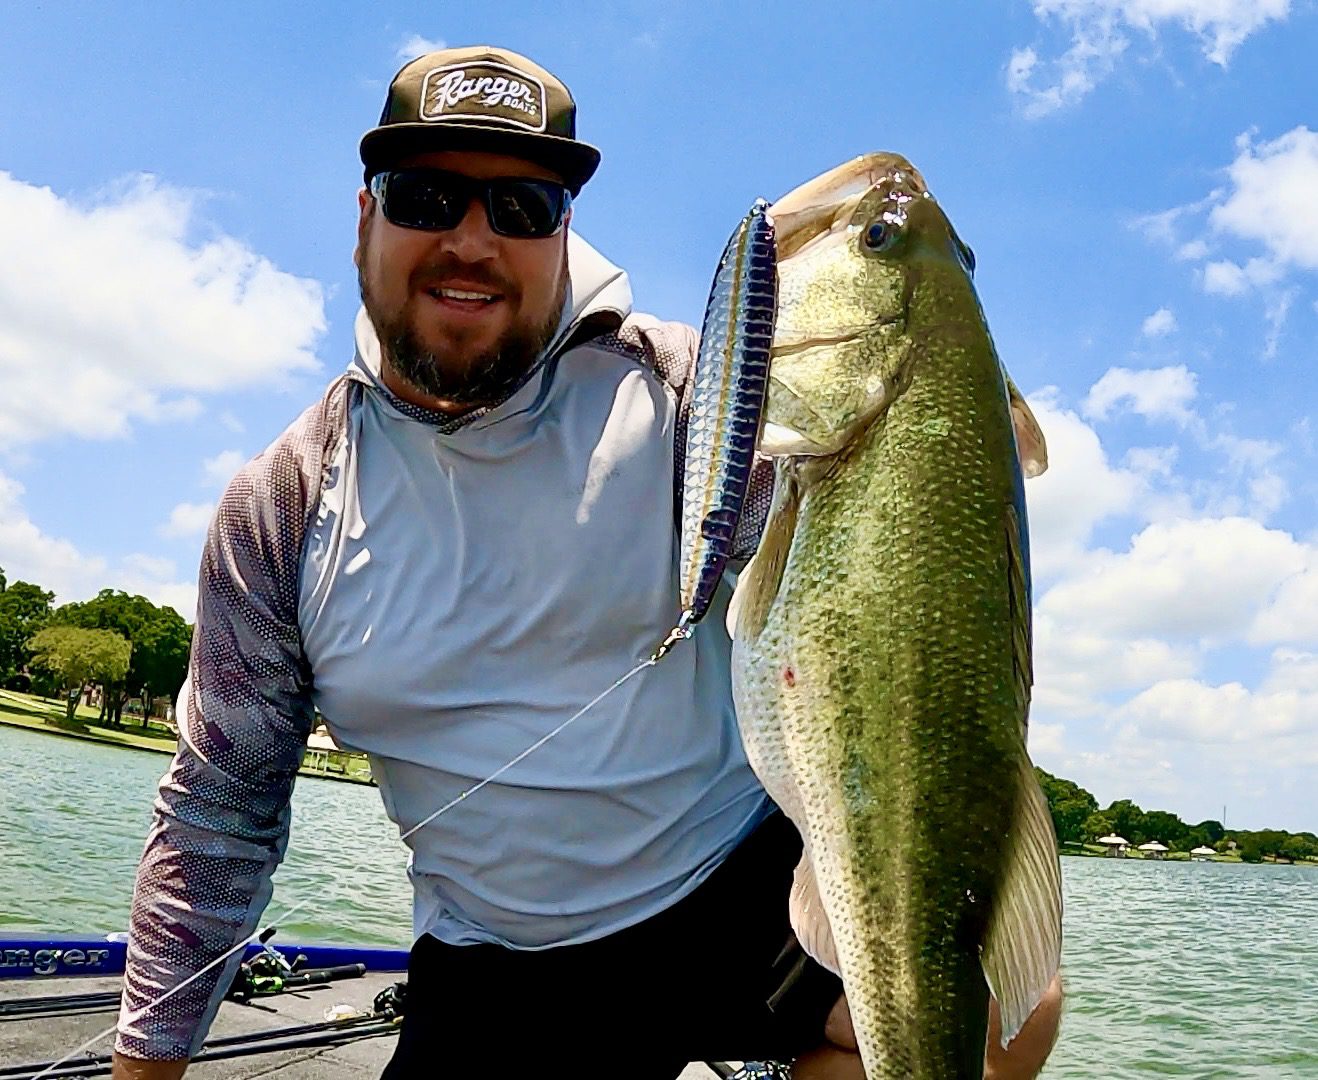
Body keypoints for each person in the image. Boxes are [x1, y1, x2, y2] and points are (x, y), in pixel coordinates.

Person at [110, 46, 1061, 1080]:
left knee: (1007, 1013)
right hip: (497, 956)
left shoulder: (707, 400)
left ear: (564, 231)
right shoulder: (284, 505)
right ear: (364, 217)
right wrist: (149, 1066)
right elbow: (220, 809)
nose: (472, 240)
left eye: (521, 207)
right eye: (427, 195)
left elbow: (899, 608)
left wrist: (939, 412)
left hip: (734, 889)